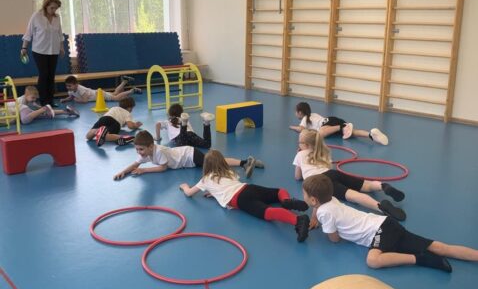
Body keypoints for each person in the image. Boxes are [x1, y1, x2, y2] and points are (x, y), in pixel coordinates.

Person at [302, 174, 478, 272]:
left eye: (305, 195)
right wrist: (315, 216)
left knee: (373, 261)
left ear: (313, 199)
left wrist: (323, 223)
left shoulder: (324, 212)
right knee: (439, 247)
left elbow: (335, 239)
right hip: (386, 223)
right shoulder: (331, 199)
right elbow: (319, 207)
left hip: (378, 233)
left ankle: (419, 259)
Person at [179, 149, 310, 242]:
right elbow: (226, 186)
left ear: (206, 166)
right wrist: (214, 193)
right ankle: (286, 200)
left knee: (267, 212)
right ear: (222, 161)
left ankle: (298, 220)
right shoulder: (229, 172)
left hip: (239, 199)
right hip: (247, 188)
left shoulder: (206, 179)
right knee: (278, 192)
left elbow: (189, 193)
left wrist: (185, 186)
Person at [294, 129, 405, 221]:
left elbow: (298, 177)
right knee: (366, 185)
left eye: (299, 142)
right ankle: (383, 186)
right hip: (333, 174)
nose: (298, 144)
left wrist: (299, 156)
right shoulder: (322, 152)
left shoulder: (300, 154)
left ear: (306, 145)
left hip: (320, 181)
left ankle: (381, 207)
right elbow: (328, 168)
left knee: (353, 196)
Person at [113, 130, 262, 180]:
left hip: (189, 155)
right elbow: (135, 164)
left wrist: (144, 170)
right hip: (188, 157)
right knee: (216, 161)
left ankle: (243, 166)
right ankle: (245, 162)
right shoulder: (145, 154)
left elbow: (163, 168)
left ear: (151, 146)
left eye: (141, 149)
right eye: (137, 150)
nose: (139, 152)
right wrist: (123, 172)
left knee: (215, 164)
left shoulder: (158, 151)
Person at [21, 0, 65, 106]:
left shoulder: (57, 17)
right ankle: (43, 101)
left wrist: (61, 47)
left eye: (56, 8)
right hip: (39, 51)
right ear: (46, 6)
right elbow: (28, 33)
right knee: (44, 74)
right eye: (52, 8)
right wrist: (24, 48)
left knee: (51, 75)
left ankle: (51, 100)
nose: (54, 10)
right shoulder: (36, 16)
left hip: (53, 51)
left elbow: (59, 34)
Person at [289, 101, 388, 145]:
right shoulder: (313, 114)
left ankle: (342, 126)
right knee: (352, 132)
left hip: (330, 123)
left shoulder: (305, 118)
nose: (295, 114)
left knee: (319, 134)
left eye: (296, 112)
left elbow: (301, 129)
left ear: (300, 112)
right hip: (333, 123)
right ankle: (371, 135)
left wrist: (292, 127)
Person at [7, 86, 79, 124]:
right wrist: (42, 109)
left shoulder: (26, 100)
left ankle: (64, 111)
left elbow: (36, 107)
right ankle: (65, 111)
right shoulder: (21, 100)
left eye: (35, 98)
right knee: (40, 114)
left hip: (18, 110)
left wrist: (42, 108)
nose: (34, 100)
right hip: (13, 109)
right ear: (26, 95)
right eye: (33, 98)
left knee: (27, 120)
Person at [61, 75, 141, 103]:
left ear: (76, 84)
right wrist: (65, 99)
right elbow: (71, 97)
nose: (68, 87)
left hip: (99, 95)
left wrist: (77, 100)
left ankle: (131, 91)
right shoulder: (71, 91)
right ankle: (125, 81)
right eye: (67, 86)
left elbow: (85, 100)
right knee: (114, 93)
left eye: (70, 86)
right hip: (98, 93)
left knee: (115, 98)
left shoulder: (80, 89)